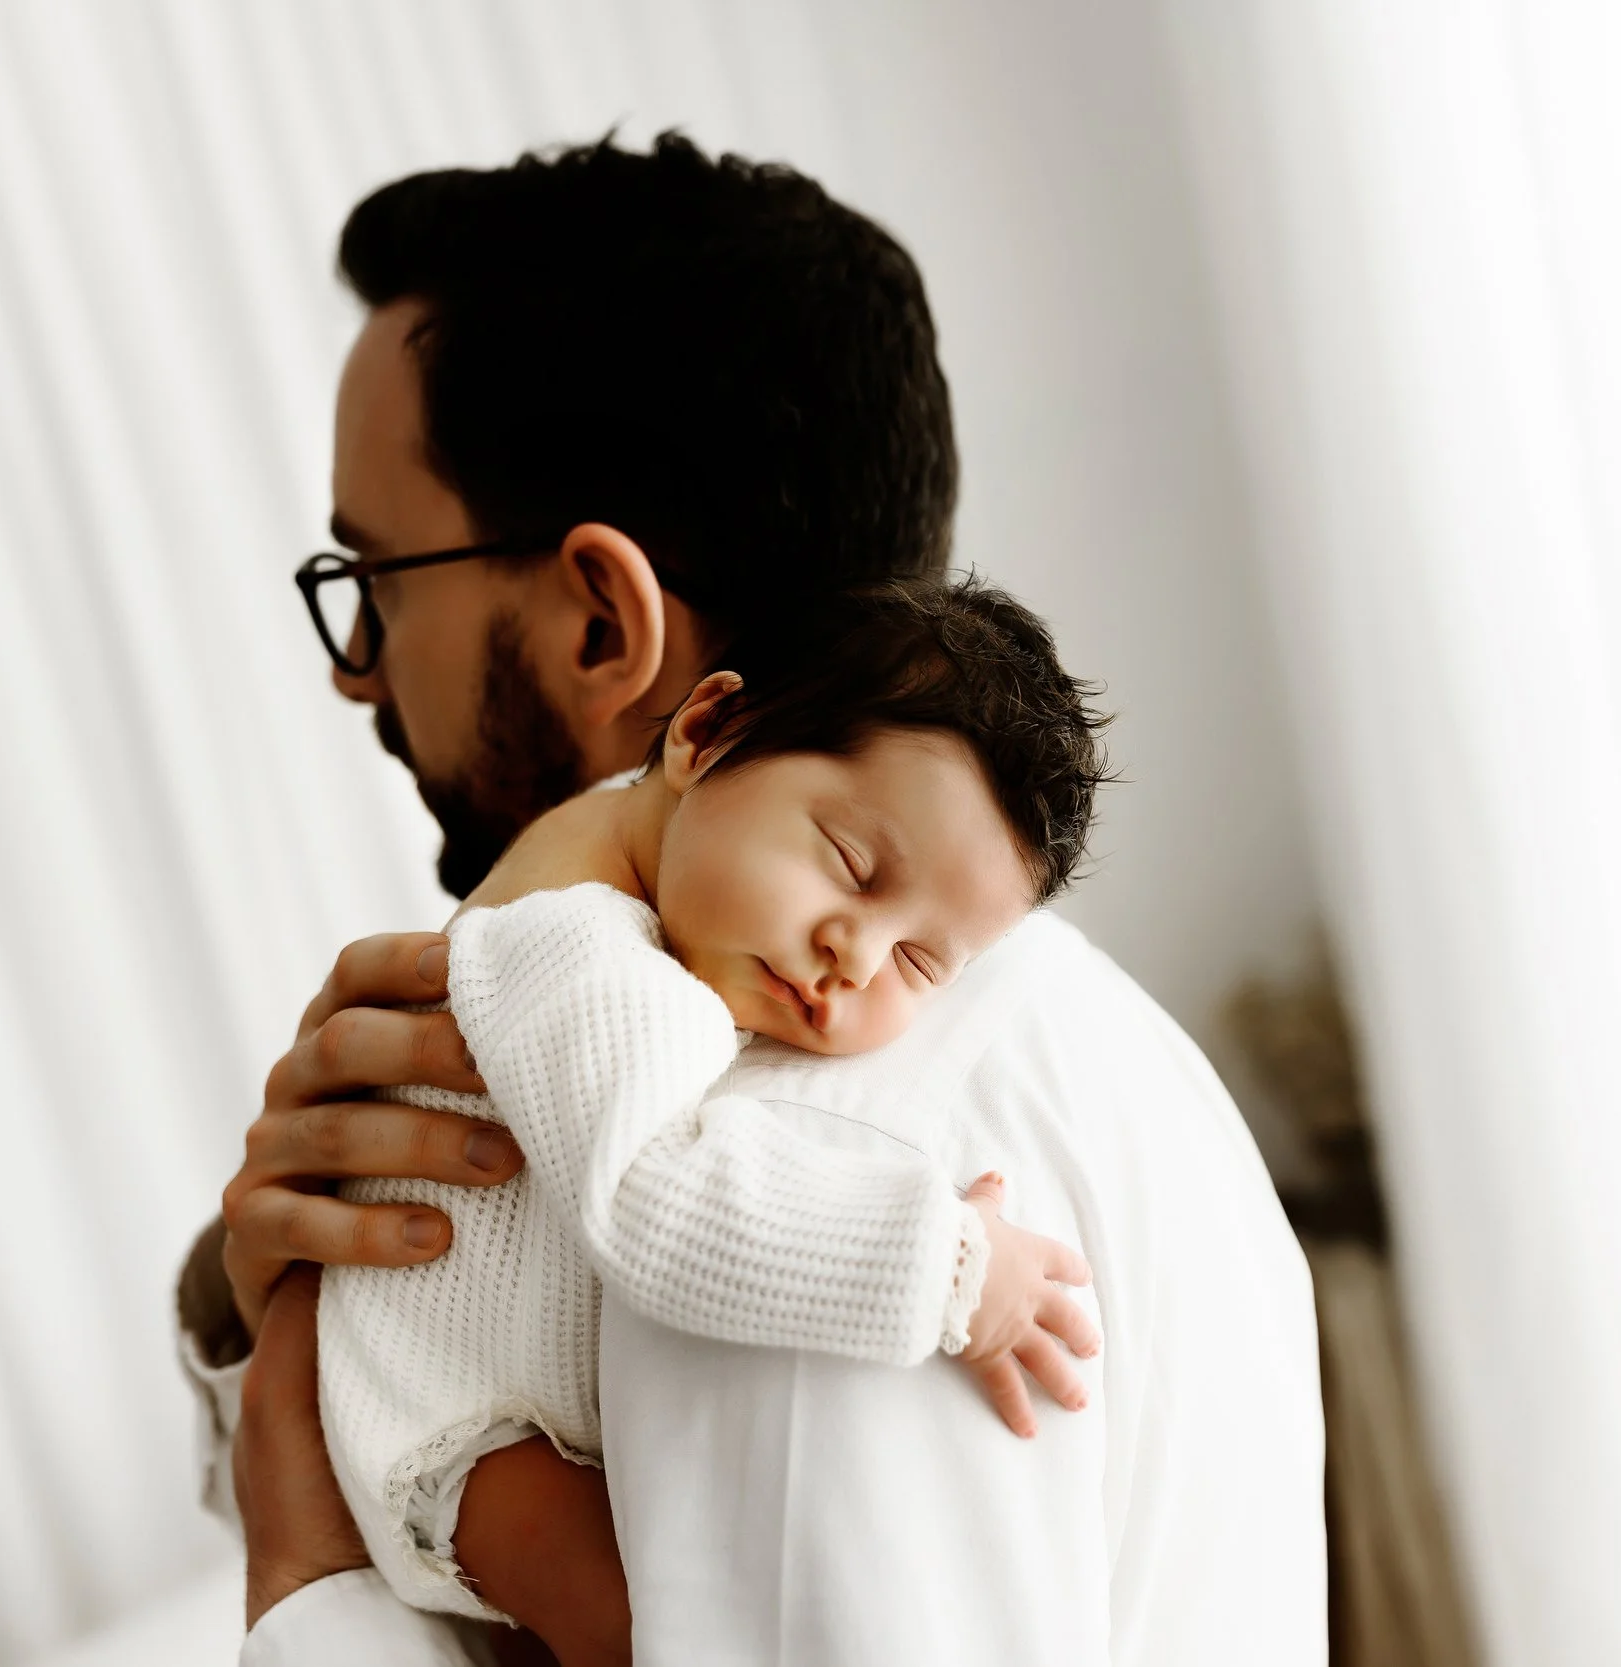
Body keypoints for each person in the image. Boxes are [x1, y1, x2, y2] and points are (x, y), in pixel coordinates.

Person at [183, 133, 1327, 1665]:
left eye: (378, 578)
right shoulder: (1075, 1045)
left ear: (607, 622)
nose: (354, 665)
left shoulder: (794, 1175)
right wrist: (267, 1316)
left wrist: (312, 1583)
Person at [321, 579, 1112, 1664]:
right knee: (668, 1634)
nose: (855, 955)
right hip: (463, 1441)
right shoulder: (576, 950)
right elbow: (657, 1201)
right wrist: (953, 1268)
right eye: (850, 865)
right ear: (707, 727)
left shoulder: (641, 857)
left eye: (920, 960)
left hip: (488, 1412)